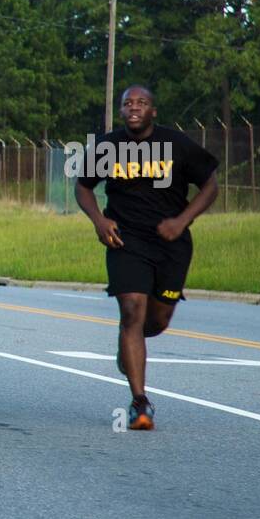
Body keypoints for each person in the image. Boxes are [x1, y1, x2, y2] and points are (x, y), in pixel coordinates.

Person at [75, 84, 219, 430]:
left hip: (171, 243)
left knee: (157, 321)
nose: (134, 108)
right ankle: (140, 403)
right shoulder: (107, 146)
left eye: (141, 103)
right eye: (128, 103)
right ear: (121, 111)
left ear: (153, 111)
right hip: (125, 240)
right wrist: (99, 220)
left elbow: (211, 185)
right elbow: (83, 187)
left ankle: (128, 347)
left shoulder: (176, 144)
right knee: (131, 311)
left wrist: (183, 221)